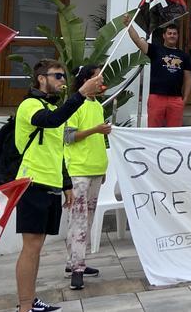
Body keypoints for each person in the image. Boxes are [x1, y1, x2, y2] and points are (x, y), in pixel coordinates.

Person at [14, 59, 105, 312]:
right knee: (30, 248)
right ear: (41, 78)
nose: (62, 81)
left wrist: (65, 184)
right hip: (32, 183)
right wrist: (81, 94)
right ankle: (24, 305)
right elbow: (53, 121)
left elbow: (58, 150)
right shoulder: (30, 105)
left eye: (64, 76)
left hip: (50, 184)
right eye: (57, 76)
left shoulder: (48, 105)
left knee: (37, 247)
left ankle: (31, 300)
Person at [63, 65, 112, 292]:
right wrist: (95, 130)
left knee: (87, 219)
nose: (100, 81)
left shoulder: (96, 105)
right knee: (79, 220)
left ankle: (74, 261)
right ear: (85, 81)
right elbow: (69, 136)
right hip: (79, 171)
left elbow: (98, 139)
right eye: (96, 78)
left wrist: (102, 170)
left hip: (95, 169)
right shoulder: (76, 105)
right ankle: (77, 269)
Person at [128, 20, 191, 127]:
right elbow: (138, 40)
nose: (172, 36)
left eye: (174, 34)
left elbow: (188, 79)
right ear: (164, 35)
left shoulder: (183, 55)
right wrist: (128, 24)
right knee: (153, 130)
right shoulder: (155, 49)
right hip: (156, 97)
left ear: (178, 36)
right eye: (169, 33)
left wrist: (184, 100)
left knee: (174, 132)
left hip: (176, 99)